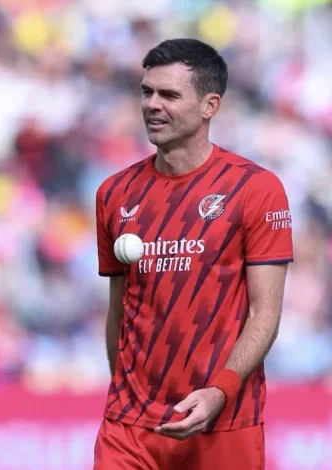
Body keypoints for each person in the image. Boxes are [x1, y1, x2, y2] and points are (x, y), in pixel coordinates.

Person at [93, 38, 293, 470]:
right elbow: (119, 310)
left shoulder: (256, 189)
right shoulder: (114, 193)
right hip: (130, 429)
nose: (152, 105)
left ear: (209, 106)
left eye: (169, 95)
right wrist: (124, 392)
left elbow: (264, 313)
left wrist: (220, 392)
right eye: (147, 92)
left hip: (223, 422)